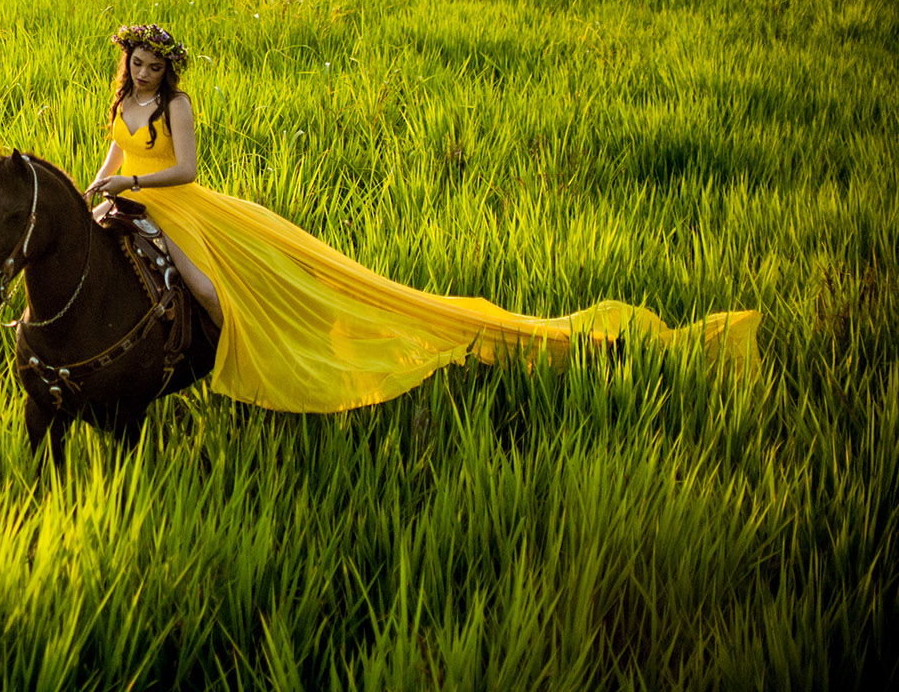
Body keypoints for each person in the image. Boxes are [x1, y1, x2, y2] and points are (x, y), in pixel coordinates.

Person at [81, 23, 759, 413]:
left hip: (179, 206)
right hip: (132, 199)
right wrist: (98, 186)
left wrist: (135, 181)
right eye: (136, 65)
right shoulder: (121, 102)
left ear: (166, 71)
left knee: (202, 289)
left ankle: (236, 357)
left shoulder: (180, 107)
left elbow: (187, 171)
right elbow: (112, 153)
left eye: (152, 67)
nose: (142, 74)